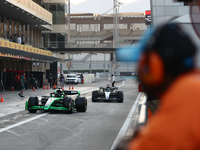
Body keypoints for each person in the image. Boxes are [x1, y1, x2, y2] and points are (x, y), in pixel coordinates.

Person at [116, 23, 200, 150]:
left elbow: (157, 144)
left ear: (155, 66)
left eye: (143, 64)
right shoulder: (189, 86)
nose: (139, 72)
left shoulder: (188, 93)